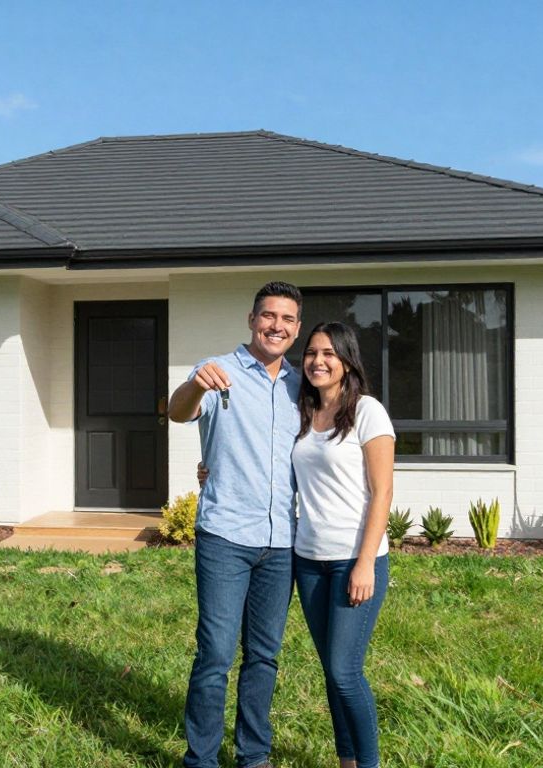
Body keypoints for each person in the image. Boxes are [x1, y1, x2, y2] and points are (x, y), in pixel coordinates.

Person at [167, 281, 304, 768]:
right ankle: (201, 759)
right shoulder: (217, 370)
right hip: (225, 536)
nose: (277, 326)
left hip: (283, 541)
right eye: (269, 316)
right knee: (216, 656)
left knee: (264, 657)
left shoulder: (299, 385)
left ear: (297, 328)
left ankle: (254, 756)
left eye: (287, 320)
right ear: (252, 319)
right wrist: (193, 385)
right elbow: (177, 412)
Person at [290, 321, 395, 768]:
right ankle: (346, 761)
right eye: (312, 352)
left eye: (329, 353)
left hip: (355, 558)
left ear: (348, 361)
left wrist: (365, 562)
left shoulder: (368, 411)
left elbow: (383, 491)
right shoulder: (303, 413)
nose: (318, 361)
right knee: (332, 675)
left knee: (345, 671)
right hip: (308, 560)